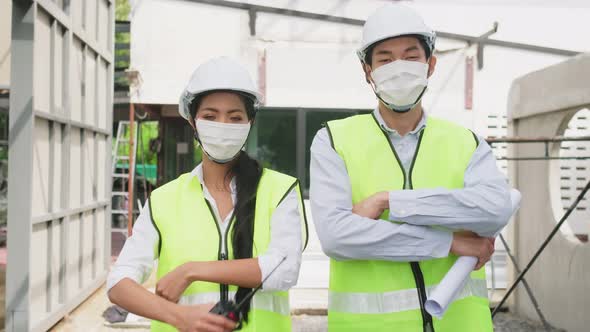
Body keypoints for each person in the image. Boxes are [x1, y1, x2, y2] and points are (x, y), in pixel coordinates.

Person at [310, 4, 513, 332]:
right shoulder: (333, 139)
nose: (399, 67)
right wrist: (449, 242)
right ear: (368, 71)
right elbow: (337, 236)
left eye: (410, 56)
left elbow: (495, 209)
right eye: (385, 59)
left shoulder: (466, 142)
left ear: (430, 65)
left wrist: (389, 201)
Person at [108, 57, 308, 332]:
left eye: (235, 117)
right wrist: (178, 317)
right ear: (193, 122)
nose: (223, 125)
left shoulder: (279, 190)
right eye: (211, 116)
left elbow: (284, 269)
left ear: (250, 121)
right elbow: (119, 283)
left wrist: (192, 270)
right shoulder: (164, 199)